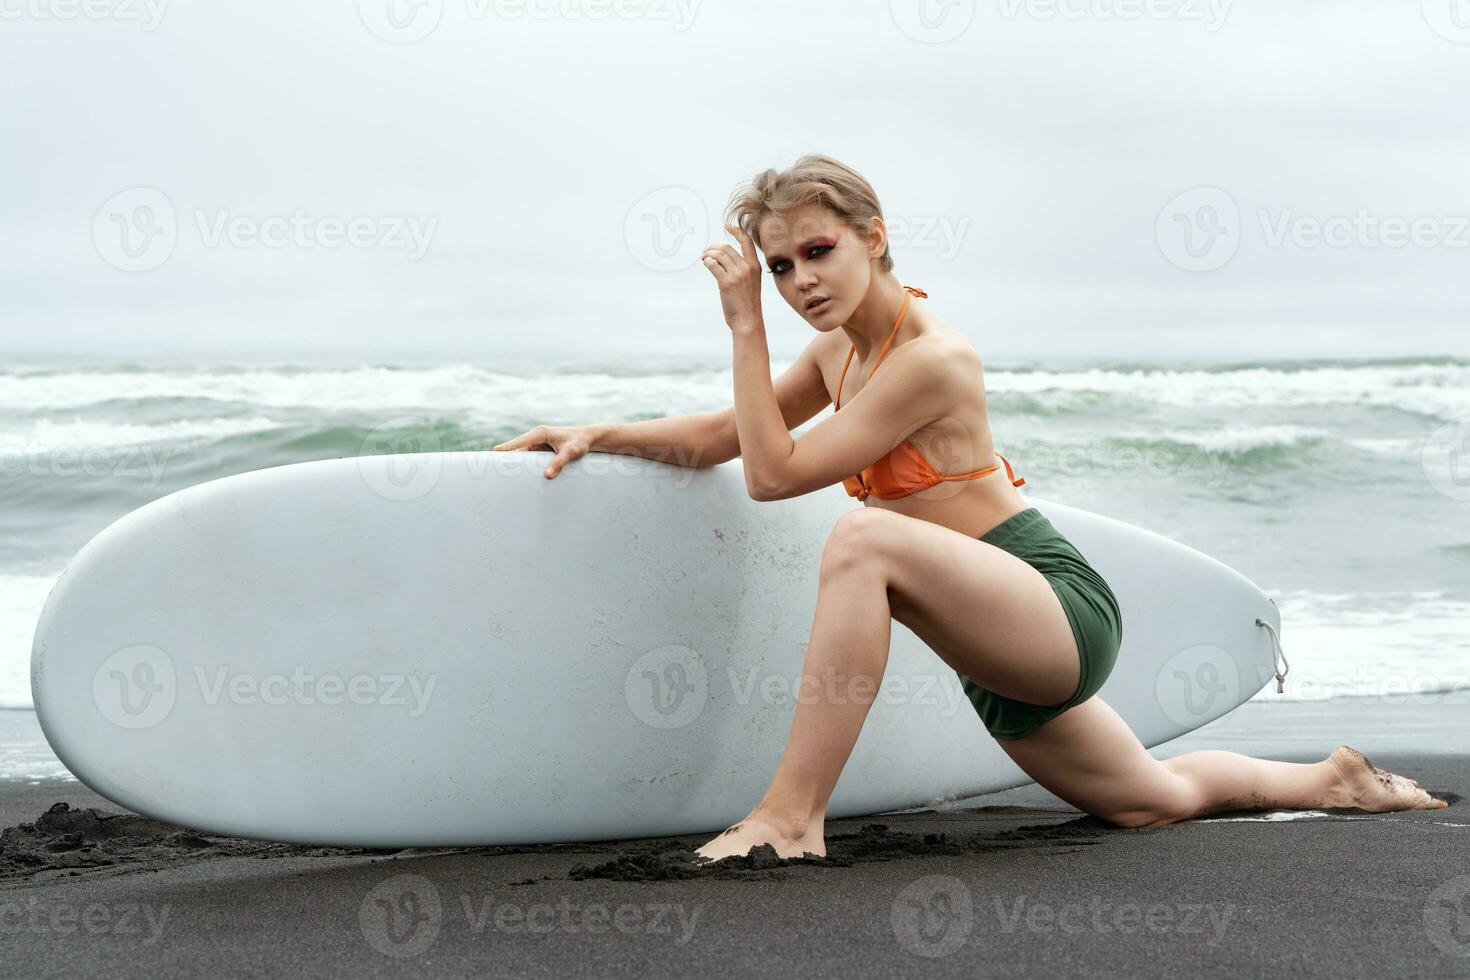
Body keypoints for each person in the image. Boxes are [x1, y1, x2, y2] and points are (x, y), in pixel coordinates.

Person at [492, 154, 1447, 864]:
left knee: (864, 538)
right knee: (1147, 802)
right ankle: (1333, 781)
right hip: (993, 651)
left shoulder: (932, 359)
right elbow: (716, 440)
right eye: (778, 269)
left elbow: (775, 477)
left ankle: (789, 815)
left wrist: (742, 323)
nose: (800, 283)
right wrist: (593, 432)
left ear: (874, 235)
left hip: (1054, 607)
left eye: (818, 251)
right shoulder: (838, 357)